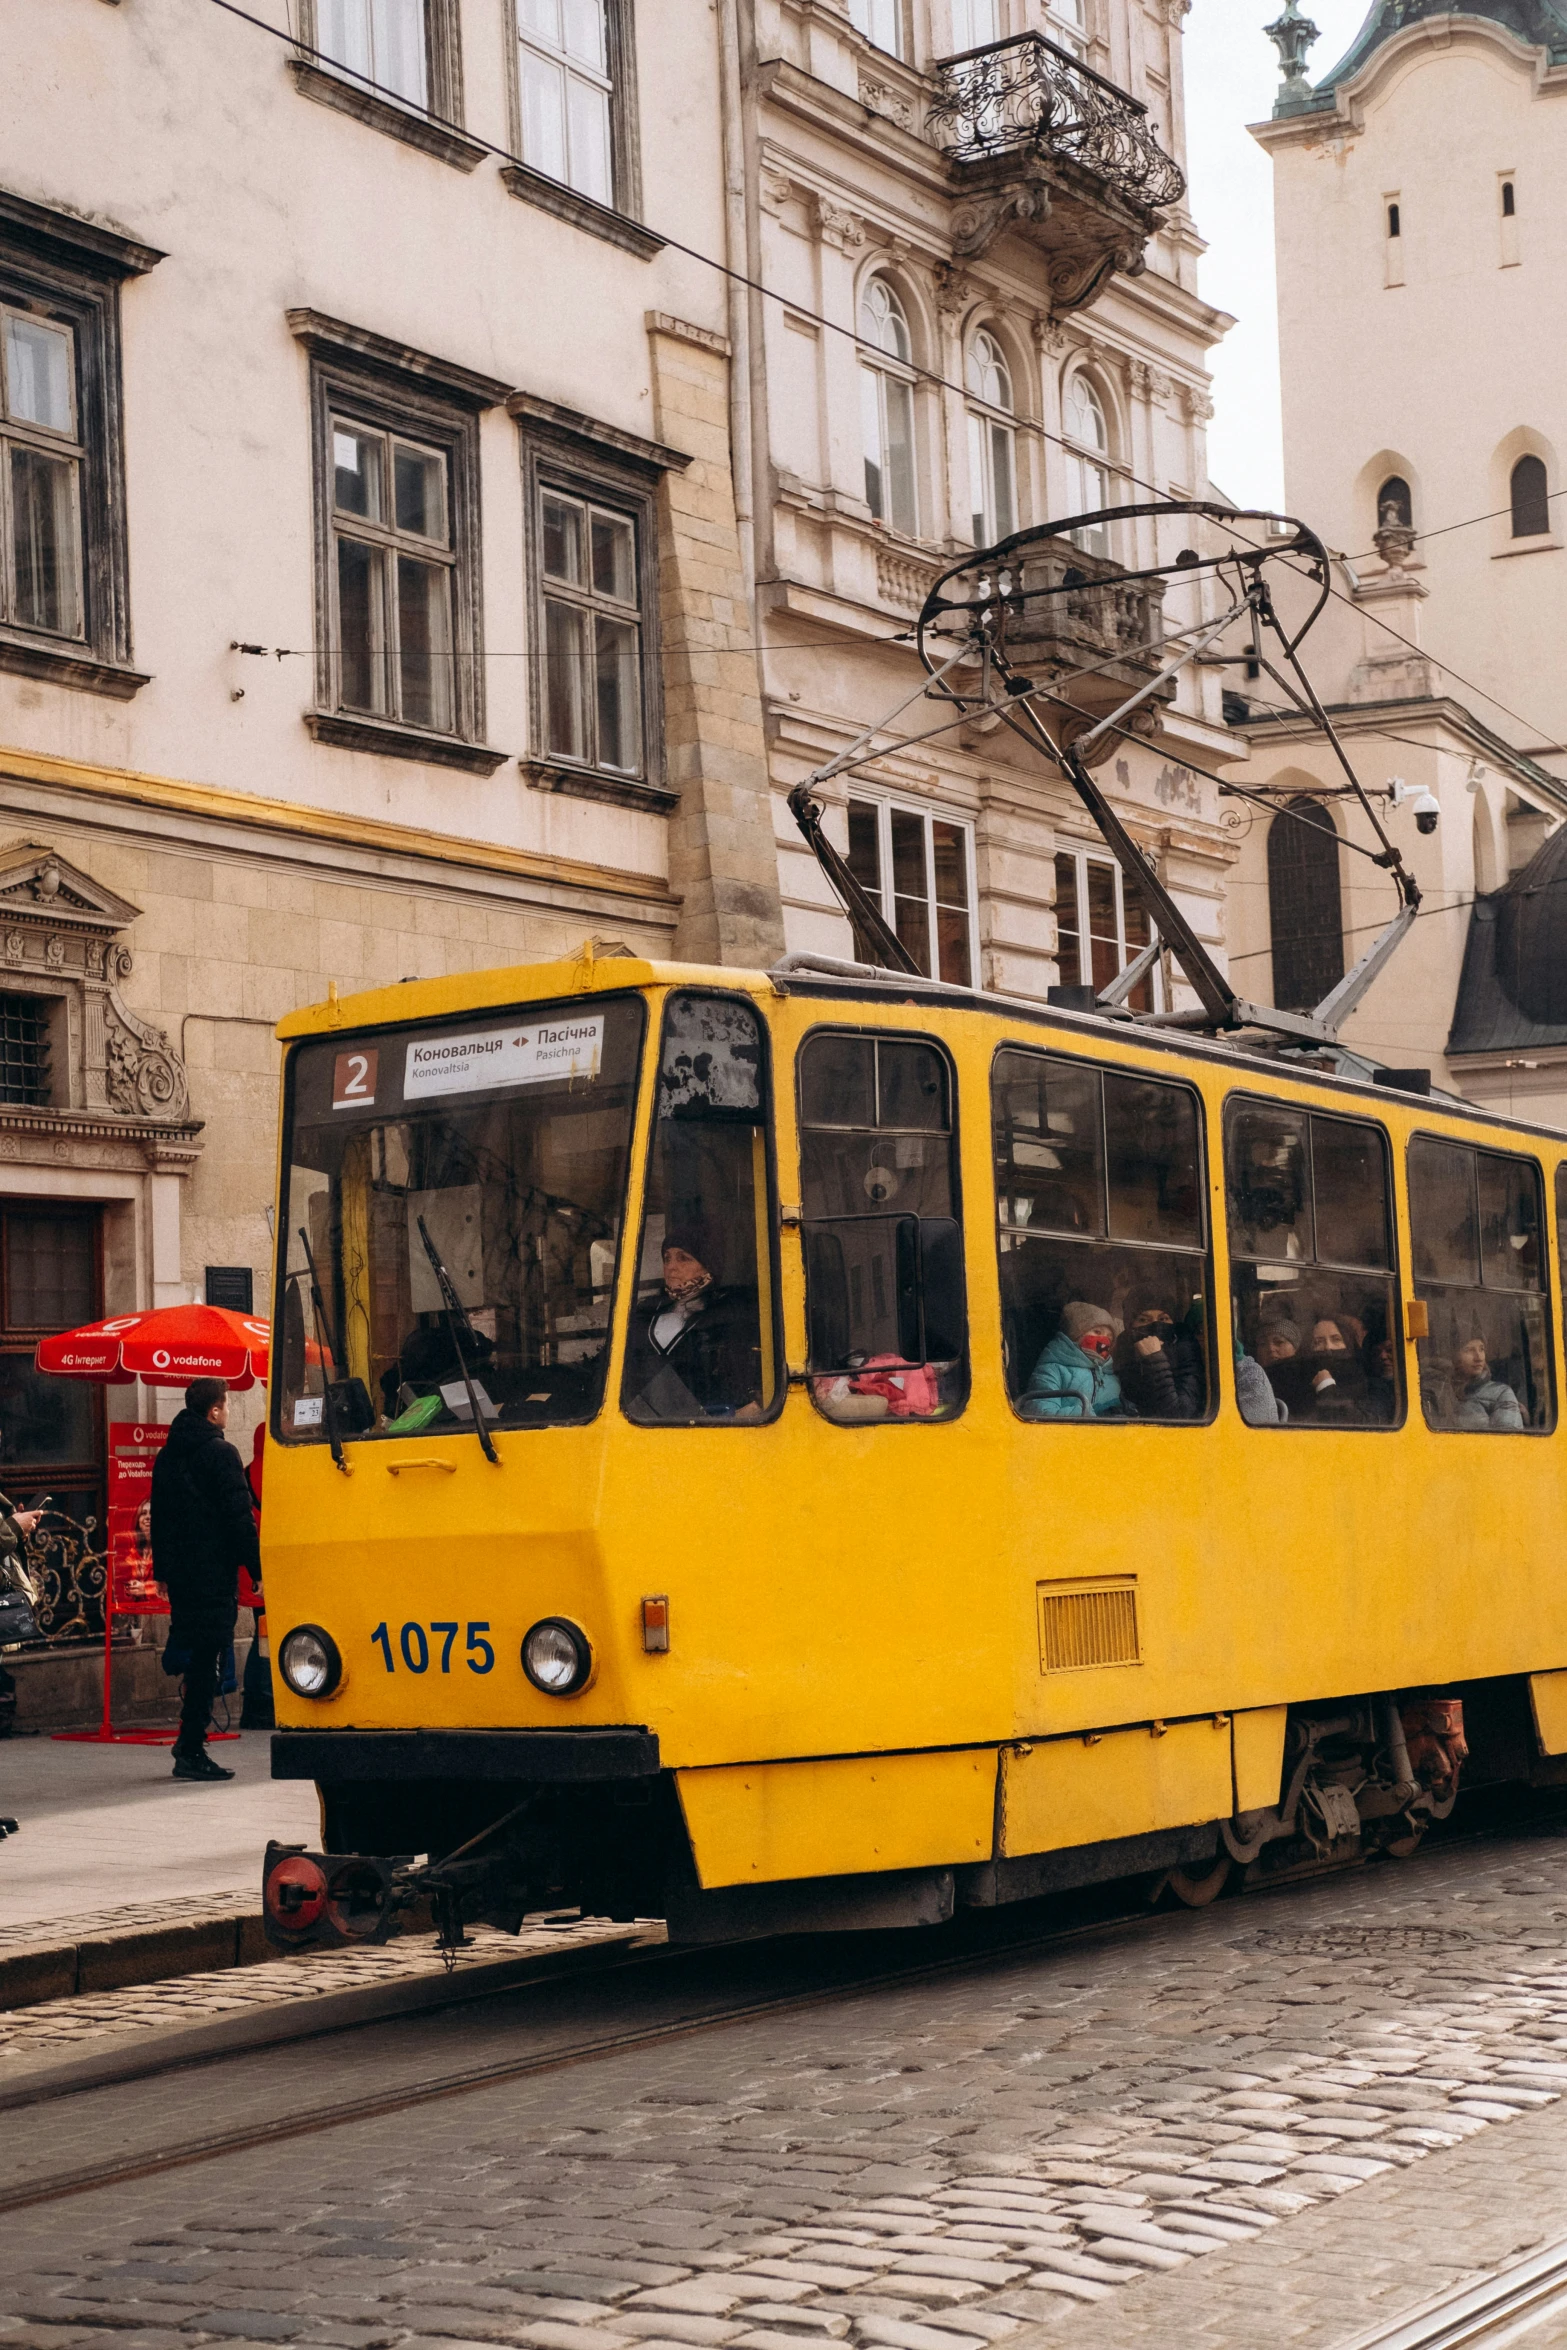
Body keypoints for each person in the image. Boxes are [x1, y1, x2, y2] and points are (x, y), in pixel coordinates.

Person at [150, 1376, 261, 1782]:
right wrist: (257, 1569)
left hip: (182, 1575)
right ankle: (191, 1747)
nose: (229, 1410)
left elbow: (159, 1519)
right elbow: (239, 1520)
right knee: (206, 1661)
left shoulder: (168, 1454)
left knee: (199, 1657)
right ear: (214, 1410)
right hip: (212, 1574)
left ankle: (189, 1741)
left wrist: (162, 1571)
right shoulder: (221, 1453)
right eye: (227, 1404)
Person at [623, 1224, 763, 1421]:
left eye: (684, 1258)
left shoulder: (731, 1315)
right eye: (667, 1258)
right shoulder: (644, 1312)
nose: (671, 1266)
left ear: (708, 1264)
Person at [1019, 1300, 1126, 1420]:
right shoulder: (1052, 1370)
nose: (1104, 1340)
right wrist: (1088, 1414)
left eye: (1109, 1337)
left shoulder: (1112, 1376)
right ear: (1077, 1334)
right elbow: (1040, 1413)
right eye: (1097, 1332)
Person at [1115, 1294, 1204, 1420]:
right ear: (1130, 1325)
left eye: (1163, 1319)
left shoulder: (1187, 1352)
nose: (1156, 1326)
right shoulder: (1123, 1352)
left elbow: (1179, 1417)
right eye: (1143, 1320)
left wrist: (1155, 1359)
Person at [1450, 1333, 1524, 1431]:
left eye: (1482, 1349)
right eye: (1469, 1350)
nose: (1479, 1358)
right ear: (1456, 1357)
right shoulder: (1444, 1390)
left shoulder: (1501, 1393)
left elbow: (1507, 1441)